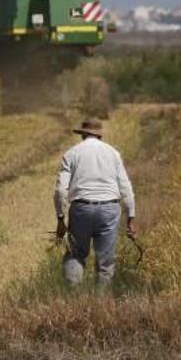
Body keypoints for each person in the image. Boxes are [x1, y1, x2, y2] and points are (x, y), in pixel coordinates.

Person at [54, 118, 136, 287]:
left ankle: (73, 299)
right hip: (109, 209)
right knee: (105, 262)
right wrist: (130, 218)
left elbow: (61, 190)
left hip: (81, 209)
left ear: (83, 134)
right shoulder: (113, 153)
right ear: (99, 136)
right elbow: (125, 187)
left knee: (76, 255)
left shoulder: (71, 154)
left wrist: (60, 218)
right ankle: (100, 306)